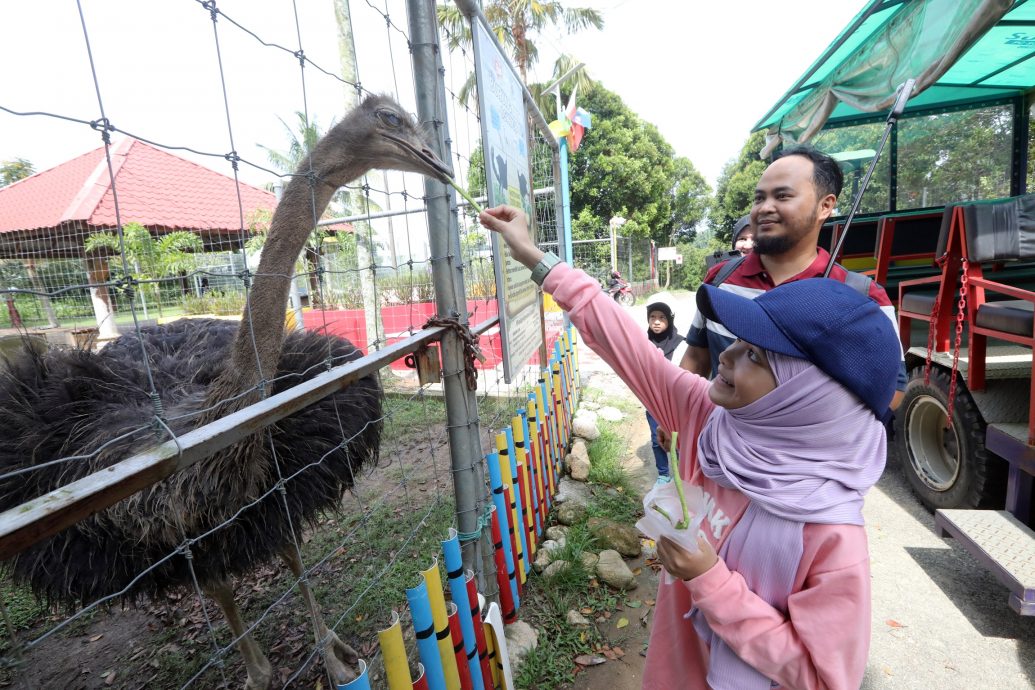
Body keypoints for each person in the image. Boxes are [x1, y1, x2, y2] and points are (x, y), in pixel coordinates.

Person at [479, 203, 899, 690]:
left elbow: (823, 678)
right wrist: (533, 255)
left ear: (804, 394)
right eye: (739, 340)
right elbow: (621, 342)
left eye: (755, 354)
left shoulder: (829, 536)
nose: (729, 355)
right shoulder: (708, 419)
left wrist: (710, 580)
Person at [678, 145, 906, 411]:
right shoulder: (720, 282)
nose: (765, 208)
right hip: (722, 447)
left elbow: (893, 391)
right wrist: (680, 414)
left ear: (825, 206)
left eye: (782, 196)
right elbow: (695, 357)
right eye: (759, 198)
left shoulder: (862, 297)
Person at [645, 301, 681, 486]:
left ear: (670, 320)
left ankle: (682, 473)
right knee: (655, 438)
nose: (656, 322)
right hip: (652, 401)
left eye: (662, 318)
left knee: (677, 438)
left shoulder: (681, 343)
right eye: (653, 317)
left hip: (675, 402)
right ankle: (663, 474)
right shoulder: (643, 343)